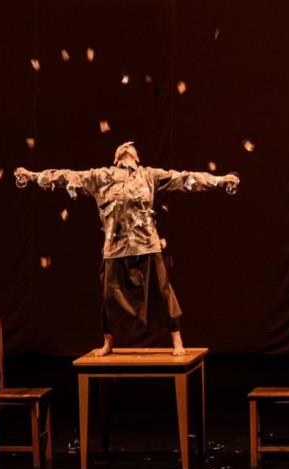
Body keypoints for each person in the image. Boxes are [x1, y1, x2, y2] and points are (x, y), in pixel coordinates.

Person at [15, 141, 239, 356]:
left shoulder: (149, 175)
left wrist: (220, 180)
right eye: (122, 148)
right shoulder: (100, 177)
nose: (126, 148)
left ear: (137, 158)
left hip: (147, 245)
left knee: (161, 291)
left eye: (130, 148)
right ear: (115, 159)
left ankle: (176, 338)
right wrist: (33, 176)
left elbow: (186, 178)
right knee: (108, 296)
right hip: (115, 247)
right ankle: (108, 342)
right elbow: (65, 176)